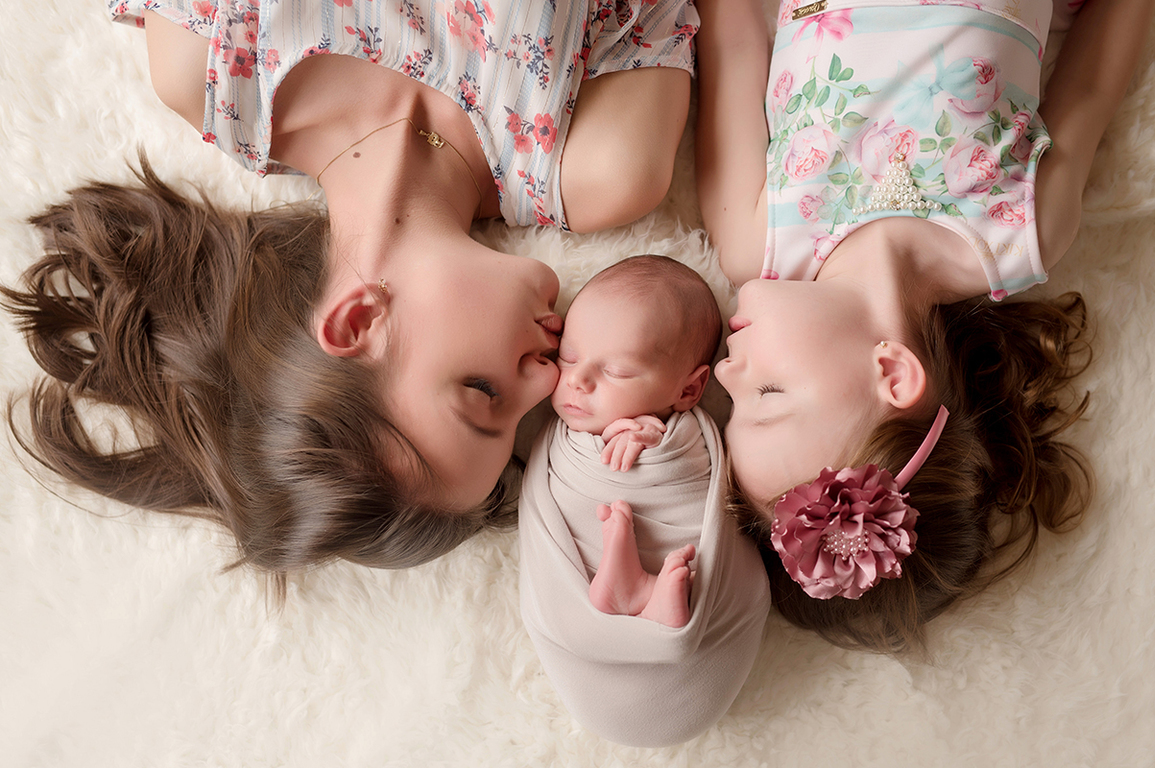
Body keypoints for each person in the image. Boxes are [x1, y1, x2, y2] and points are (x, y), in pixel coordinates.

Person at [0, 0, 698, 587]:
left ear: (359, 319)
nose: (547, 384)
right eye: (522, 422)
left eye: (484, 395)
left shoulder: (210, 66)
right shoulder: (604, 167)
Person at [695, 0, 1153, 651]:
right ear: (891, 370)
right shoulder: (1020, 233)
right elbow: (1092, 86)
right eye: (766, 395)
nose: (725, 369)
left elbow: (734, 38)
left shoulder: (755, 237)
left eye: (727, 404)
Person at [519, 256, 769, 746]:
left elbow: (702, 476)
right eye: (568, 356)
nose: (578, 379)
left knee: (635, 505)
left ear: (689, 389)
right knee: (607, 516)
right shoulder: (557, 437)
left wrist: (654, 441)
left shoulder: (680, 435)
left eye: (616, 371)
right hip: (587, 582)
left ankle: (635, 588)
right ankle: (633, 591)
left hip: (668, 512)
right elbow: (543, 498)